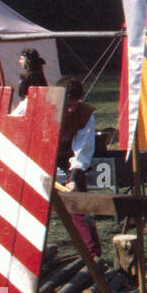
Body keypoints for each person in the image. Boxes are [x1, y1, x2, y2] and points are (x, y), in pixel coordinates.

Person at [55, 76, 104, 261]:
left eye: (74, 105)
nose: (71, 110)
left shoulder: (85, 114)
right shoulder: (37, 105)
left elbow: (82, 151)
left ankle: (93, 256)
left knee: (80, 209)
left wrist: (74, 177)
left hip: (68, 163)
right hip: (37, 161)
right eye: (67, 105)